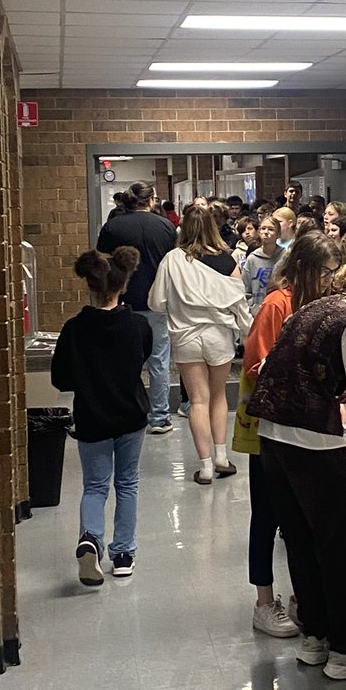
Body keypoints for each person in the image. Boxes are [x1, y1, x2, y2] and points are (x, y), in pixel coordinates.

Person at [248, 262, 346, 680]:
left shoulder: (313, 308)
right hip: (313, 441)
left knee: (300, 539)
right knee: (343, 546)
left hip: (272, 436)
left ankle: (314, 638)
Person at [238, 231, 344, 638]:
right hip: (270, 426)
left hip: (311, 425)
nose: (329, 281)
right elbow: (254, 364)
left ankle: (305, 595)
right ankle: (265, 602)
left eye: (333, 273)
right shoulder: (276, 304)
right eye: (325, 272)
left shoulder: (324, 303)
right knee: (267, 513)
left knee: (301, 520)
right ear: (302, 268)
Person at [51, 247, 152, 585]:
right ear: (122, 286)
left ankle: (90, 538)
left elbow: (60, 379)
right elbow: (143, 359)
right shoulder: (137, 326)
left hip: (92, 418)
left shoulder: (73, 329)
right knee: (127, 483)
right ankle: (123, 554)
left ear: (90, 286)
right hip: (131, 416)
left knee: (95, 486)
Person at [148, 206, 251, 485]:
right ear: (213, 227)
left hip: (186, 337)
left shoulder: (172, 260)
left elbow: (155, 302)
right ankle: (221, 457)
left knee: (198, 400)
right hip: (219, 336)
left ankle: (204, 467)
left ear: (183, 227)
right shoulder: (228, 261)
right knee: (218, 396)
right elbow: (240, 304)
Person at [97, 180, 176, 434]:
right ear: (152, 200)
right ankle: (160, 416)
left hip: (123, 302)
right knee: (159, 361)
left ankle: (125, 412)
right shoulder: (165, 226)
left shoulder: (113, 226)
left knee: (123, 360)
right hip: (157, 302)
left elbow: (102, 262)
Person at [242, 214, 282, 314]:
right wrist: (252, 307)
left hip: (279, 310)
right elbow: (245, 288)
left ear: (278, 234)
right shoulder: (252, 259)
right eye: (263, 229)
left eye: (271, 229)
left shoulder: (286, 257)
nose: (266, 232)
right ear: (259, 232)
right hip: (256, 312)